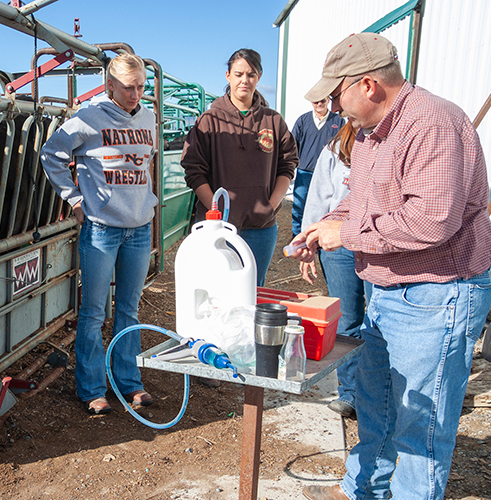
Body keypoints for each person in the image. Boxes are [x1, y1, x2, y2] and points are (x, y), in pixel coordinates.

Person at [289, 33, 491, 500]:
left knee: (420, 426)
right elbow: (359, 204)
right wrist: (323, 225)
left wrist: (345, 235)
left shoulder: (431, 124)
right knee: (377, 404)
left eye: (335, 90)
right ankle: (362, 488)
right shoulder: (369, 136)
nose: (331, 103)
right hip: (390, 290)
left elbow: (430, 221)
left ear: (367, 86)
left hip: (436, 293)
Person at [40, 53, 157, 415]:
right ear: (110, 85)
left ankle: (129, 382)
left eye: (140, 86)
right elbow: (51, 154)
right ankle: (92, 388)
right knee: (93, 313)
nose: (135, 94)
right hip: (101, 229)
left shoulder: (149, 117)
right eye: (128, 87)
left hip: (139, 227)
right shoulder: (88, 118)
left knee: (129, 308)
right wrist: (74, 199)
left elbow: (145, 164)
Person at [181, 48, 299, 288]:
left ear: (259, 77)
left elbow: (287, 164)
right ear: (228, 76)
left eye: (251, 74)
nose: (244, 80)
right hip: (218, 228)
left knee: (252, 291)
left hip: (260, 227)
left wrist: (272, 204)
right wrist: (216, 210)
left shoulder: (273, 121)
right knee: (215, 290)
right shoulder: (209, 120)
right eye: (238, 74)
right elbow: (193, 169)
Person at [298, 122, 365, 419]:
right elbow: (319, 198)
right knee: (348, 319)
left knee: (379, 319)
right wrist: (308, 244)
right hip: (338, 247)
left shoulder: (388, 144)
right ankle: (350, 392)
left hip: (376, 243)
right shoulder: (335, 150)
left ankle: (377, 391)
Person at [290, 97, 344, 237]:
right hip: (305, 172)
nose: (319, 104)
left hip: (327, 174)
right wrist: (290, 169)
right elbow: (292, 145)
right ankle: (297, 236)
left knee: (325, 207)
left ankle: (318, 236)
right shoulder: (303, 120)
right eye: (316, 101)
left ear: (328, 100)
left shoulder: (338, 121)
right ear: (311, 102)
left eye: (322, 101)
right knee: (299, 206)